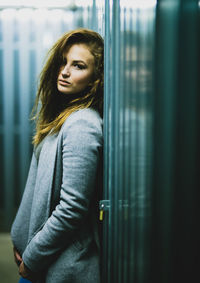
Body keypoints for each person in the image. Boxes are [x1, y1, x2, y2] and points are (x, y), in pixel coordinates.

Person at [11, 28, 104, 283]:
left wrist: (33, 258)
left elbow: (72, 208)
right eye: (63, 62)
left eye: (78, 65)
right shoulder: (65, 118)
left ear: (96, 78)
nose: (64, 71)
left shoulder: (83, 125)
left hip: (56, 266)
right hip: (39, 261)